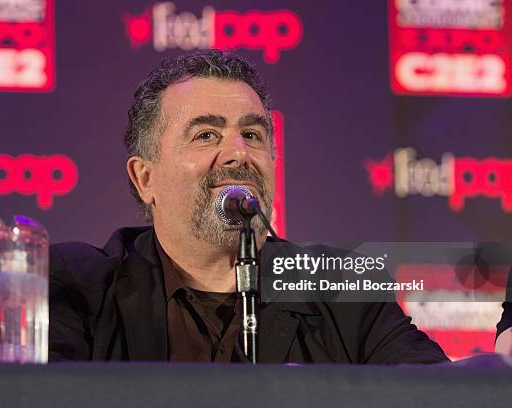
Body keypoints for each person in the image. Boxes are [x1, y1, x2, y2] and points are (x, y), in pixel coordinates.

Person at [49, 50, 448, 364]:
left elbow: (439, 395)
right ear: (145, 178)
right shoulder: (75, 288)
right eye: (206, 134)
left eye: (252, 134)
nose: (238, 153)